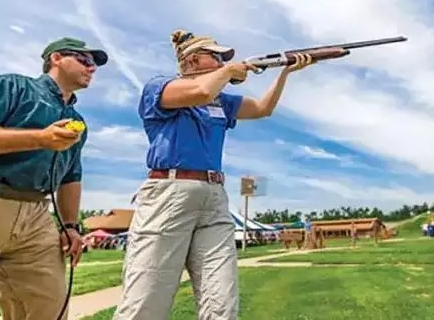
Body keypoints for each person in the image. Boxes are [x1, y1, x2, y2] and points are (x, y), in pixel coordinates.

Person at [113, 29, 315, 320]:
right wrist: (230, 72)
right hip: (168, 193)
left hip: (214, 197)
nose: (222, 62)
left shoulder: (221, 101)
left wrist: (285, 72)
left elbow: (262, 108)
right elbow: (200, 92)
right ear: (192, 60)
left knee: (222, 303)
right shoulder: (160, 87)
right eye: (216, 57)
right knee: (146, 301)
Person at [0, 37, 108, 320]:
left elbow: (71, 176)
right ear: (56, 58)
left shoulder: (76, 120)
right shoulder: (13, 87)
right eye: (84, 60)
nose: (91, 68)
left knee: (51, 307)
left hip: (37, 215)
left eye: (93, 64)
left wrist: (70, 225)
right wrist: (40, 138)